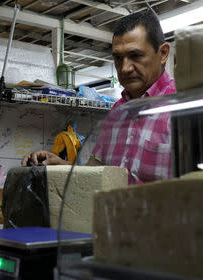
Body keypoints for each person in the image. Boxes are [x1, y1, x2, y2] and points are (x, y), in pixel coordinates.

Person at [22, 11, 176, 184]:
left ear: (163, 53)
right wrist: (59, 166)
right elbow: (95, 174)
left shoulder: (182, 108)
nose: (124, 68)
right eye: (118, 58)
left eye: (135, 55)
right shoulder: (118, 112)